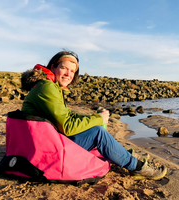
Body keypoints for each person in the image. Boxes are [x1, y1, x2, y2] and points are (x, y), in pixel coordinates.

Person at [21, 50, 167, 180]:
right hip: (47, 149)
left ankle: (127, 156)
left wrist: (92, 118)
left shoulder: (48, 86)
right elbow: (67, 126)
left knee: (94, 129)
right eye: (64, 68)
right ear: (53, 67)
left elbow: (68, 116)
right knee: (98, 133)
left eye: (72, 71)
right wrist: (99, 119)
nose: (68, 74)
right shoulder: (47, 87)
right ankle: (136, 167)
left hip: (44, 142)